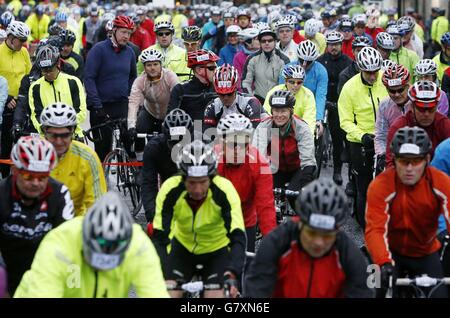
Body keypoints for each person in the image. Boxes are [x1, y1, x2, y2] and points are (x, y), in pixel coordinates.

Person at [14, 191, 169, 298]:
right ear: (84, 237)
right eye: (95, 258)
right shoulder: (59, 244)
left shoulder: (139, 247)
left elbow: (154, 292)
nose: (101, 268)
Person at [245, 178, 373, 298]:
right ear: (300, 222)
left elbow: (362, 291)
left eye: (327, 235)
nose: (318, 242)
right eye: (312, 233)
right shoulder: (277, 241)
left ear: (337, 231)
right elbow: (256, 290)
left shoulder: (348, 254)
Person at [152, 140, 246, 298]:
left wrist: (233, 273)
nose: (197, 190)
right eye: (191, 183)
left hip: (216, 250)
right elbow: (160, 235)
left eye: (203, 182)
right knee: (167, 294)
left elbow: (237, 236)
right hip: (182, 248)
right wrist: (164, 272)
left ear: (211, 177)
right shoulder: (170, 189)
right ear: (182, 178)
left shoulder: (224, 190)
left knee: (215, 296)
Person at [366, 127, 450, 298]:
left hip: (425, 252)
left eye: (416, 161)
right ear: (394, 159)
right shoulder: (380, 185)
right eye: (404, 161)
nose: (409, 168)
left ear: (427, 159)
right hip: (388, 251)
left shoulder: (440, 182)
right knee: (371, 289)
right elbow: (375, 229)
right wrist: (383, 262)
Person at [0, 136, 74, 295]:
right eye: (28, 176)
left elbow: (68, 245)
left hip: (45, 271)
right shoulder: (1, 193)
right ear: (15, 171)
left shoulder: (60, 194)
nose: (35, 183)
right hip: (6, 268)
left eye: (42, 177)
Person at [338, 46, 388, 229]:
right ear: (360, 69)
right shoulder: (350, 87)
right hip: (361, 141)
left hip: (384, 138)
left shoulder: (385, 80)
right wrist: (362, 136)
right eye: (368, 73)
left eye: (375, 72)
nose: (373, 76)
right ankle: (365, 224)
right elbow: (345, 121)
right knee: (364, 185)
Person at [216, 114, 276, 252]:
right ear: (222, 143)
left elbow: (265, 206)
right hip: (215, 220)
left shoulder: (260, 164)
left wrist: (272, 246)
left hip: (245, 220)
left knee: (244, 266)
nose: (237, 150)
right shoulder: (212, 161)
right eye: (232, 144)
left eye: (243, 144)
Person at [84, 15, 137, 161]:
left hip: (121, 105)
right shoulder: (98, 50)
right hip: (101, 107)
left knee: (129, 145)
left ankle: (131, 178)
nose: (126, 36)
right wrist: (97, 104)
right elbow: (89, 79)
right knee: (102, 151)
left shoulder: (130, 52)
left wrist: (128, 94)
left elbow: (133, 76)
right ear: (114, 30)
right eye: (123, 32)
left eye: (129, 33)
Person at [252, 90, 316, 208]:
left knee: (295, 199)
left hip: (298, 169)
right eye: (276, 111)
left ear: (291, 111)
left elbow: (308, 160)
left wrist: (305, 183)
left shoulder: (301, 127)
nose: (279, 115)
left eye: (283, 111)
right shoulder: (265, 125)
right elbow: (257, 154)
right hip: (276, 168)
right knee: (264, 199)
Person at [40, 103, 106, 216]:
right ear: (44, 133)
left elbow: (97, 205)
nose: (59, 141)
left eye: (65, 135)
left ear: (73, 132)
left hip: (75, 223)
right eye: (53, 135)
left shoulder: (88, 157)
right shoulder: (34, 154)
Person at [141, 109, 193, 226]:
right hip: (167, 191)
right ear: (165, 137)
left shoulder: (199, 147)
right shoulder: (153, 148)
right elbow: (148, 184)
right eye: (173, 143)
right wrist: (153, 217)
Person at [128, 49, 179, 162]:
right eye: (149, 65)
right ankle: (140, 163)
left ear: (161, 64)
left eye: (155, 64)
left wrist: (173, 119)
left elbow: (178, 97)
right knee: (139, 130)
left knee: (171, 139)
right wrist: (131, 126)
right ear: (144, 67)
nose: (152, 68)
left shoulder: (170, 76)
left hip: (168, 113)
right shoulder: (140, 81)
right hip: (149, 112)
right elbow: (133, 103)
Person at [385, 81, 450, 167]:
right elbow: (390, 164)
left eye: (431, 109)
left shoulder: (444, 124)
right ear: (412, 107)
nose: (426, 114)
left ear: (437, 106)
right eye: (421, 109)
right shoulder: (398, 127)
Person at [317, 30, 353, 185]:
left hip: (340, 104)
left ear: (341, 45)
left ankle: (337, 170)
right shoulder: (320, 61)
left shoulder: (347, 61)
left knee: (339, 138)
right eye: (331, 44)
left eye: (337, 44)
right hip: (324, 101)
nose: (334, 47)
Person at [29, 45, 87, 138]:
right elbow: (36, 115)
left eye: (50, 70)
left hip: (73, 135)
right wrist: (48, 129)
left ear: (58, 64)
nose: (47, 74)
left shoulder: (73, 82)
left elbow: (81, 110)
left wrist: (64, 128)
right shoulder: (35, 87)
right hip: (48, 137)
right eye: (44, 70)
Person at [0, 21, 31, 178]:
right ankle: (4, 177)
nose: (23, 43)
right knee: (5, 143)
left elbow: (29, 76)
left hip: (22, 102)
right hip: (5, 103)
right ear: (11, 37)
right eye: (21, 39)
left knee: (23, 142)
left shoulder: (24, 52)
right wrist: (6, 99)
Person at [281, 40, 328, 138]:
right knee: (275, 141)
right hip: (288, 108)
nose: (304, 65)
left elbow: (320, 96)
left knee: (307, 137)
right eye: (302, 60)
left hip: (310, 108)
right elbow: (281, 92)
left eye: (309, 62)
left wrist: (319, 119)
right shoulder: (287, 68)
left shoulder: (321, 71)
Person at [204, 64, 266, 133]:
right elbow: (207, 136)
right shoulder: (212, 107)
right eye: (221, 94)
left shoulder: (251, 103)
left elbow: (255, 135)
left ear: (236, 89)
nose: (226, 98)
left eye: (229, 94)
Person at [374, 64, 411, 175]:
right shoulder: (384, 105)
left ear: (408, 86)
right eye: (392, 91)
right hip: (394, 152)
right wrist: (382, 154)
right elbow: (380, 136)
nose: (396, 94)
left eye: (400, 90)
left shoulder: (417, 102)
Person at [167, 49, 219, 123]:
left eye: (216, 67)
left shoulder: (219, 88)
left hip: (213, 132)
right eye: (211, 68)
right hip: (188, 132)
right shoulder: (180, 90)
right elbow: (171, 120)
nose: (216, 71)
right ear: (199, 70)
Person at [242, 28, 290, 104]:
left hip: (278, 99)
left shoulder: (284, 60)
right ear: (260, 43)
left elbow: (287, 84)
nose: (267, 43)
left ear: (275, 42)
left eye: (270, 40)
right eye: (263, 41)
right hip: (258, 99)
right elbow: (245, 82)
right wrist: (251, 99)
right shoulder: (252, 59)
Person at [264, 64, 316, 133]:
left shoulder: (308, 95)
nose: (295, 85)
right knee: (274, 143)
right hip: (276, 128)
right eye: (291, 82)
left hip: (298, 130)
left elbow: (309, 120)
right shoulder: (275, 91)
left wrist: (308, 137)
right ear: (285, 81)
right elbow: (267, 114)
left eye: (299, 82)